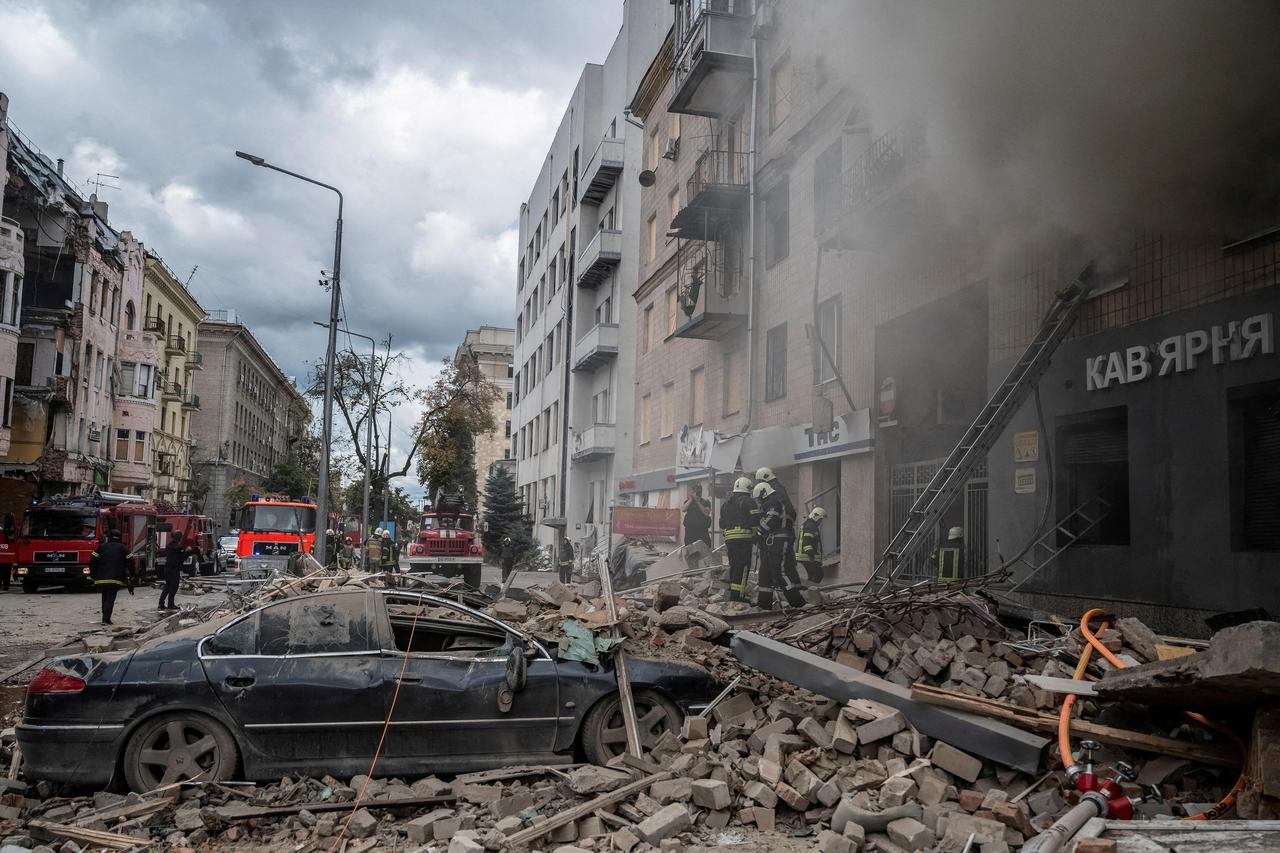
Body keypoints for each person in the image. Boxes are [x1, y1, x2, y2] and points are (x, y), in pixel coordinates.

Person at [754, 481, 806, 610]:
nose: (758, 502)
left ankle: (798, 602)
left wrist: (757, 525)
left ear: (763, 494)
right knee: (765, 573)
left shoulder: (773, 502)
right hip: (771, 543)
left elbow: (768, 523)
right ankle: (764, 605)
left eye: (759, 499)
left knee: (779, 572)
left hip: (778, 542)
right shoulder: (770, 502)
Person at [721, 477, 757, 602]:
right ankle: (738, 597)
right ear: (747, 488)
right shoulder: (748, 501)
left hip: (730, 540)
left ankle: (733, 592)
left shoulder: (726, 503)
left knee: (734, 565)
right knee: (743, 567)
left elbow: (721, 524)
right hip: (744, 539)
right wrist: (758, 533)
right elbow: (755, 519)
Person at [90, 529, 136, 625]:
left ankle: (105, 617)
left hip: (101, 579)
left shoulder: (101, 547)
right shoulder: (123, 548)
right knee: (110, 598)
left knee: (105, 597)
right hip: (115, 578)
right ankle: (106, 619)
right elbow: (131, 562)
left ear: (109, 537)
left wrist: (93, 574)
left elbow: (93, 560)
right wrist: (132, 575)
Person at [159, 534, 193, 611]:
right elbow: (182, 558)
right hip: (174, 569)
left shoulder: (169, 546)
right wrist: (187, 552)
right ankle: (170, 604)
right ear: (179, 538)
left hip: (167, 568)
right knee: (174, 587)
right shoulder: (178, 548)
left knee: (167, 586)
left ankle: (161, 603)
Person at [796, 507, 827, 584]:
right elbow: (807, 541)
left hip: (806, 556)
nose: (820, 522)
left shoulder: (809, 524)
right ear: (816, 516)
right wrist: (811, 555)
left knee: (812, 575)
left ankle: (808, 592)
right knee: (818, 574)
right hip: (808, 556)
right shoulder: (810, 526)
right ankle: (810, 592)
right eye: (820, 519)